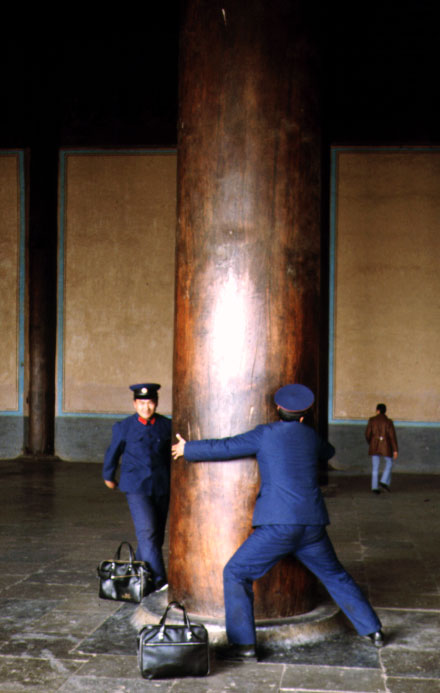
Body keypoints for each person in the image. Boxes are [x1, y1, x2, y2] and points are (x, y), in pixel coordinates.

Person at [171, 384, 384, 661]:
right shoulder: (311, 437)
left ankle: (244, 645)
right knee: (336, 576)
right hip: (312, 525)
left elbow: (227, 446)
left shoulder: (265, 434)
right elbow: (328, 452)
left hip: (277, 526)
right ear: (305, 416)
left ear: (278, 411)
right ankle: (374, 631)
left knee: (236, 572)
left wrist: (189, 448)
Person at [103, 383, 171, 591]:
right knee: (147, 531)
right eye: (141, 403)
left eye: (150, 403)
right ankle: (160, 581)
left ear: (156, 403)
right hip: (136, 487)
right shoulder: (123, 427)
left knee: (155, 536)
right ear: (134, 404)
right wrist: (109, 475)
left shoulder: (166, 425)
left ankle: (140, 576)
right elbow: (112, 452)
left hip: (161, 485)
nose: (146, 407)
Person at [365, 403, 398, 494]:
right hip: (386, 446)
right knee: (389, 463)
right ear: (385, 411)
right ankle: (384, 481)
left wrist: (371, 443)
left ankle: (374, 488)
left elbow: (367, 434)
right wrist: (395, 450)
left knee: (375, 467)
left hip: (374, 445)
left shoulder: (372, 420)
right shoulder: (389, 422)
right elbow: (392, 437)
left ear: (377, 410)